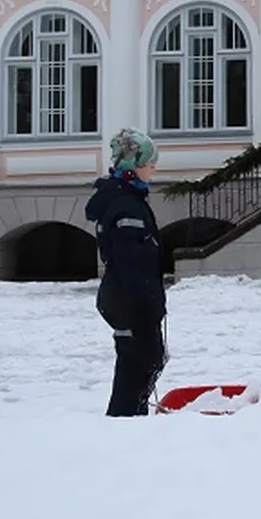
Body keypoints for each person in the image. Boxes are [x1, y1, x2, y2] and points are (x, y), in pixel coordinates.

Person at [85, 127, 168, 416]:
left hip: (126, 302)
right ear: (134, 166)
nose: (153, 169)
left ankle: (130, 423)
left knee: (143, 365)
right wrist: (148, 309)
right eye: (149, 163)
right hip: (130, 304)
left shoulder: (127, 200)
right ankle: (124, 426)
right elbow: (132, 263)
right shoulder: (127, 207)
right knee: (138, 368)